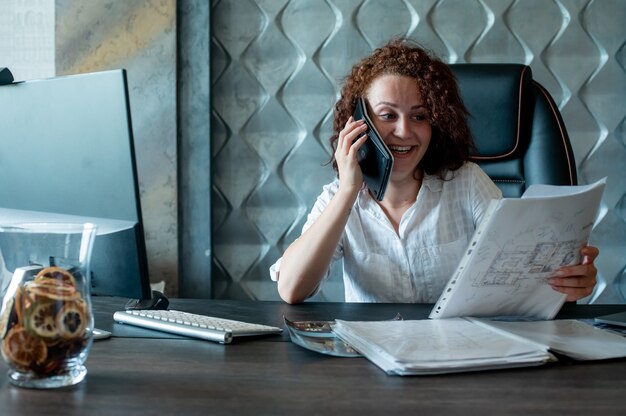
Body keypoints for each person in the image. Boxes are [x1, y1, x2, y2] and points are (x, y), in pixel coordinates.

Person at [269, 39, 599, 304]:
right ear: (359, 124)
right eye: (387, 115)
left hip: (460, 358)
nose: (404, 131)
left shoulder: (467, 182)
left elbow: (522, 276)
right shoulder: (338, 198)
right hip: (371, 368)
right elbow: (292, 291)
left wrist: (566, 284)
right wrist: (347, 192)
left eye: (419, 116)